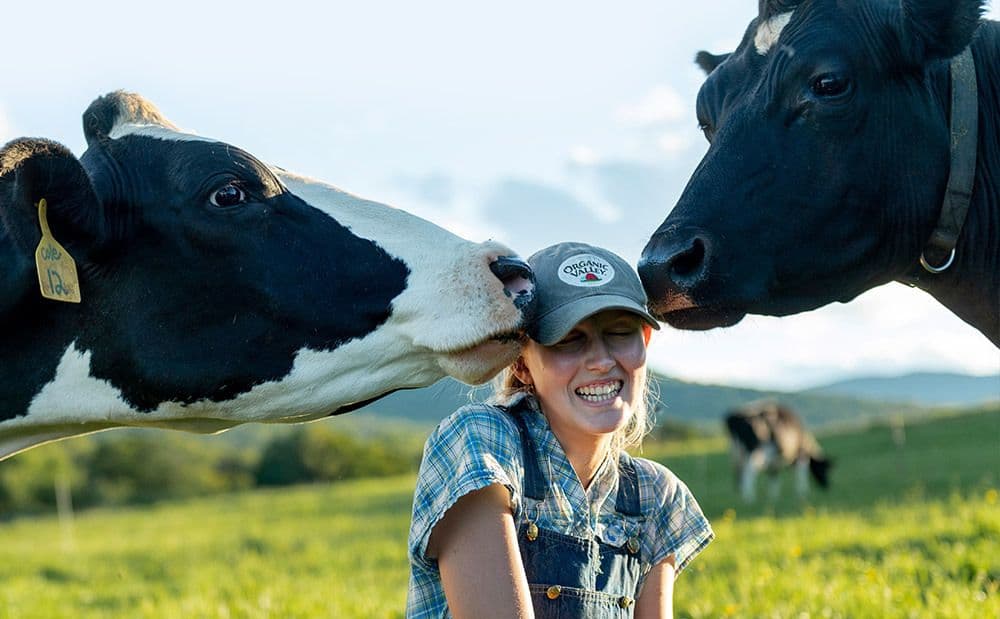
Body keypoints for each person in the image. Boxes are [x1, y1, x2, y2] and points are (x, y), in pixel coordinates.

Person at [406, 241, 714, 618]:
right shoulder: (482, 442)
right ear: (520, 363)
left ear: (645, 342)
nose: (601, 360)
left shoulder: (655, 496)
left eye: (620, 332)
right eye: (569, 339)